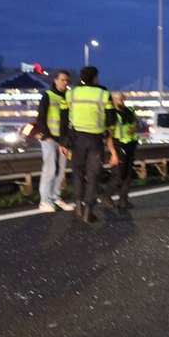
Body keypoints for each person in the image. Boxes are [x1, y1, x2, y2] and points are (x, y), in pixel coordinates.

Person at [65, 66, 118, 223]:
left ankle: (78, 208)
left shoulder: (71, 93)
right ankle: (89, 211)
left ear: (82, 78)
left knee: (77, 173)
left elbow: (64, 114)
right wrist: (109, 132)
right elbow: (111, 119)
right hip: (95, 139)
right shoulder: (103, 94)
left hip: (77, 139)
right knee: (93, 175)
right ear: (95, 78)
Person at [35, 70, 75, 213]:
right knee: (50, 170)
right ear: (55, 80)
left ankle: (55, 198)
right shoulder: (48, 95)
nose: (65, 83)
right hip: (49, 139)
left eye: (67, 80)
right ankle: (44, 201)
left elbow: (68, 121)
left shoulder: (68, 97)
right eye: (62, 80)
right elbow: (41, 118)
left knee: (60, 172)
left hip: (63, 140)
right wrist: (47, 136)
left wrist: (67, 140)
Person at [102, 92, 139, 210]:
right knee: (118, 175)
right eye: (120, 100)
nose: (122, 102)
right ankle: (106, 195)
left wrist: (135, 128)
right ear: (113, 100)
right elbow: (109, 136)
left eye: (123, 99)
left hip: (130, 146)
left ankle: (123, 201)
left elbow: (136, 124)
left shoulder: (129, 111)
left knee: (128, 176)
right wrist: (113, 153)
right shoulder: (112, 115)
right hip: (119, 146)